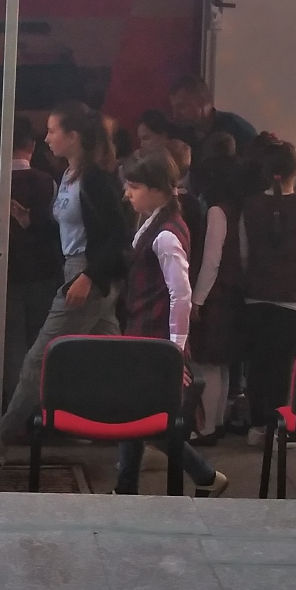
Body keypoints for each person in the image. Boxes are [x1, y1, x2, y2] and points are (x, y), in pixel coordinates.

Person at [0, 102, 131, 446]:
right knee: (116, 361)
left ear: (73, 136)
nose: (46, 138)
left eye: (52, 131)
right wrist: (31, 221)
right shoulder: (70, 176)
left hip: (86, 275)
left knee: (38, 358)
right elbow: (70, 230)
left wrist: (89, 276)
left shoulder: (95, 178)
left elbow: (117, 234)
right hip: (79, 271)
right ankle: (146, 439)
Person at [117, 152, 228, 498]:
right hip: (146, 332)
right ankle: (132, 486)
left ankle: (201, 476)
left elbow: (181, 295)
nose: (127, 193)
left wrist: (176, 349)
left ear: (157, 189)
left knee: (140, 415)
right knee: (138, 414)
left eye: (134, 186)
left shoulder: (165, 234)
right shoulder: (156, 222)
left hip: (155, 337)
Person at [238, 140, 296, 429]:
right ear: (295, 171)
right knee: (283, 366)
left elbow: (244, 255)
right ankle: (277, 429)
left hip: (256, 295)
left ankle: (256, 425)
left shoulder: (249, 206)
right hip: (294, 297)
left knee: (257, 364)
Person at [0, 115, 60, 403]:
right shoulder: (49, 182)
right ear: (32, 146)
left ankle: (16, 408)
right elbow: (56, 226)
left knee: (11, 344)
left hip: (6, 273)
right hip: (44, 272)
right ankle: (42, 406)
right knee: (42, 341)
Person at [187, 139, 248, 442]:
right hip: (234, 293)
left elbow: (211, 260)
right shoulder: (239, 209)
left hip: (216, 296)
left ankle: (206, 426)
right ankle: (218, 421)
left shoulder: (215, 212)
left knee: (208, 360)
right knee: (222, 362)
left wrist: (197, 300)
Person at [167, 76, 258, 157]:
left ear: (201, 101)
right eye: (174, 108)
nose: (175, 114)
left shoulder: (238, 130)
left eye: (181, 107)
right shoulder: (182, 133)